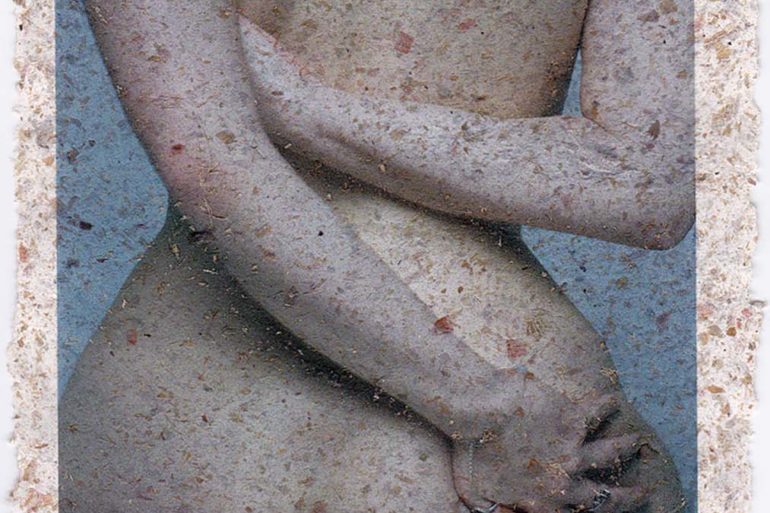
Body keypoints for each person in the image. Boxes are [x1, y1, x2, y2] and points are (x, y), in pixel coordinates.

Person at [61, 1, 693, 512]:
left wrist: (302, 111)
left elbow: (213, 166)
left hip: (181, 425)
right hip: (533, 430)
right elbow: (644, 182)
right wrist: (493, 413)